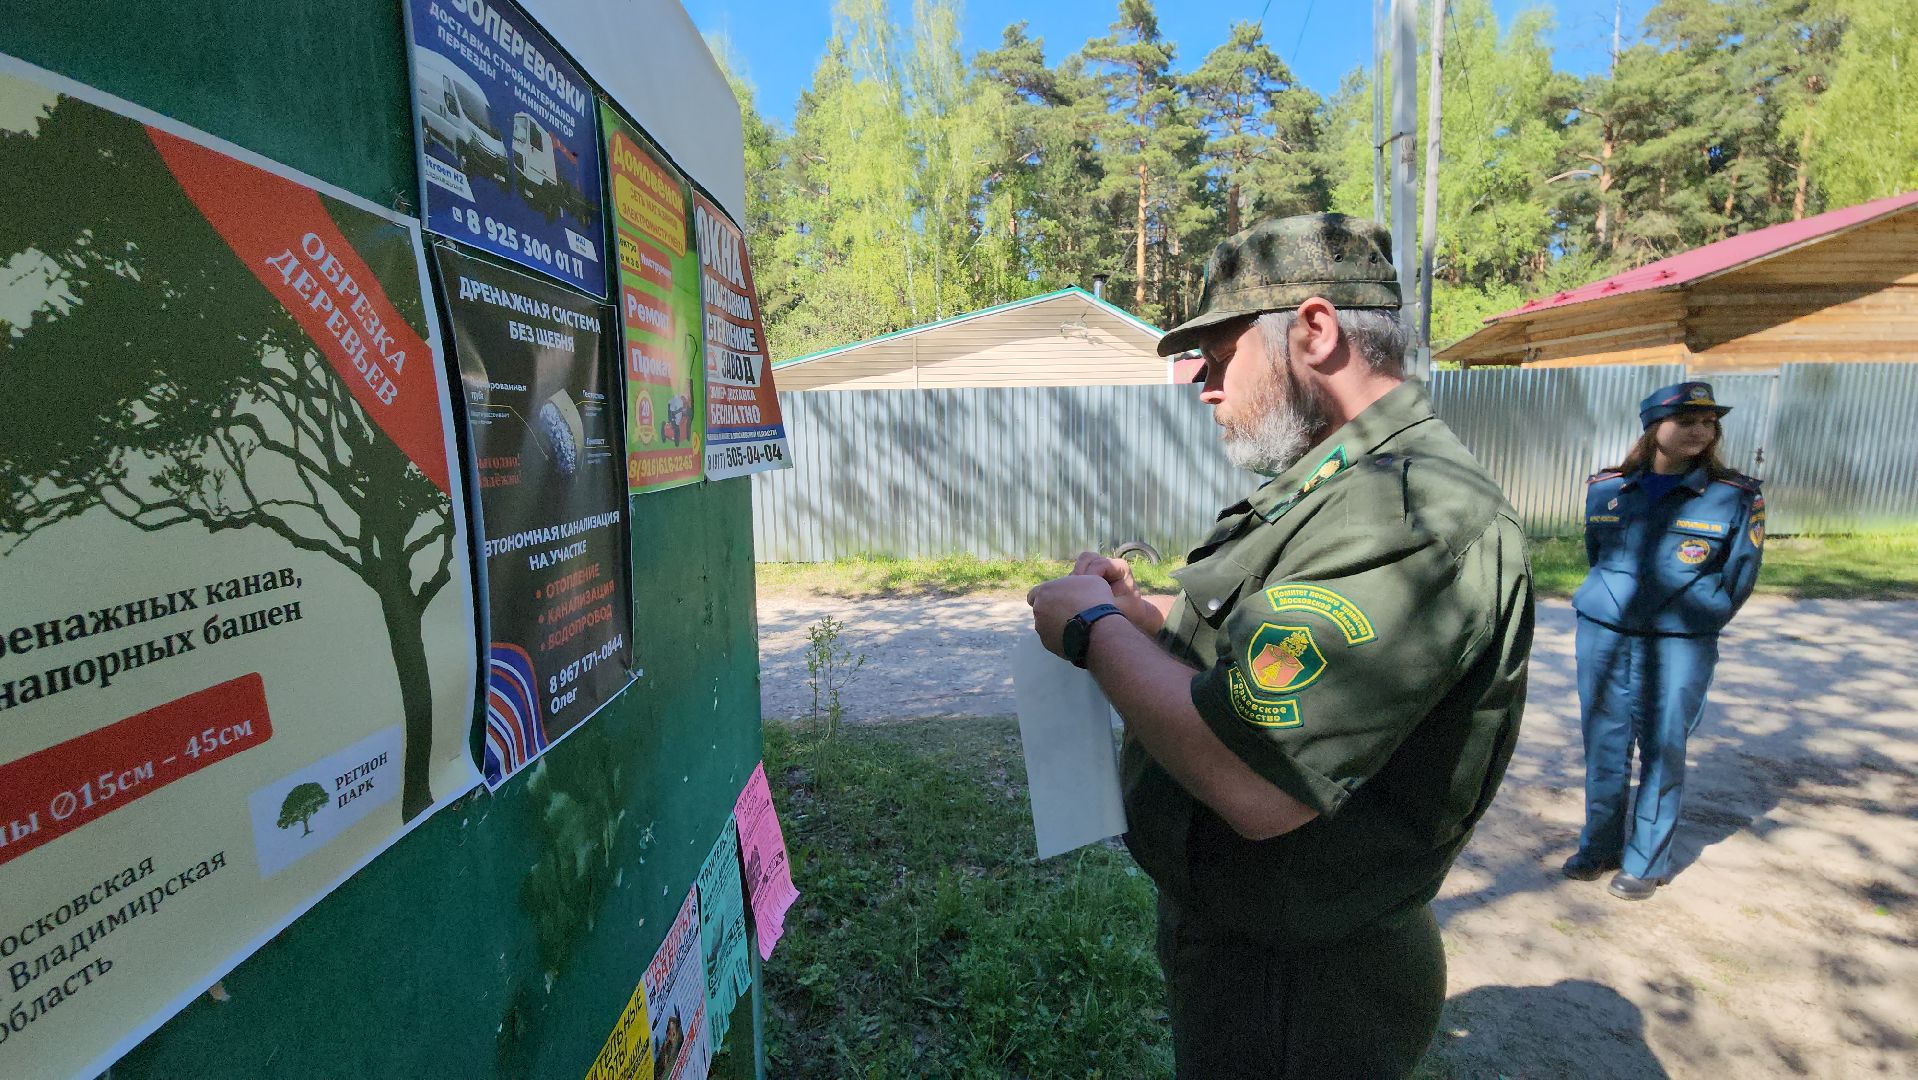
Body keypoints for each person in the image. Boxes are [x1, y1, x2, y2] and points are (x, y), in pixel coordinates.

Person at [1026, 214, 1534, 1079]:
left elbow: (1258, 778)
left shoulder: (1410, 517)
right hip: (1251, 946)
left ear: (1315, 330)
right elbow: (1262, 659)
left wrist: (1093, 632)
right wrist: (1149, 623)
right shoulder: (1337, 487)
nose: (1201, 385)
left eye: (1219, 357)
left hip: (1301, 986)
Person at [1562, 382, 1764, 901]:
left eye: (1709, 422)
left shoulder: (1733, 495)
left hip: (1680, 640)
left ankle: (1645, 859)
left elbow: (1740, 573)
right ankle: (1599, 845)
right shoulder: (1607, 487)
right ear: (1654, 428)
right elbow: (1597, 553)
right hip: (1604, 635)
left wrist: (1701, 614)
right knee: (1604, 743)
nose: (1700, 430)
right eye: (1688, 420)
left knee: (1663, 743)